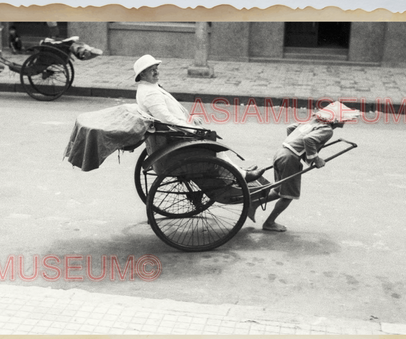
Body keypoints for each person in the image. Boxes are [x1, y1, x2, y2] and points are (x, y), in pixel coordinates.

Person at [134, 54, 266, 182]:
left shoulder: (149, 88)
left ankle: (237, 170)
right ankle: (241, 174)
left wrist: (189, 118)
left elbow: (170, 111)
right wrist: (191, 129)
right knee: (211, 142)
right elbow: (166, 119)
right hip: (174, 134)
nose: (156, 72)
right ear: (143, 74)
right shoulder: (150, 93)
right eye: (152, 70)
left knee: (209, 138)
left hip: (173, 131)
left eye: (156, 68)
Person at [254, 101, 359, 232]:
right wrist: (315, 158)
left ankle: (254, 203)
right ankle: (269, 222)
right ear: (337, 120)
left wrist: (295, 146)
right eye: (345, 119)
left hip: (280, 153)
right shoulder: (327, 130)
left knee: (279, 189)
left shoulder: (313, 122)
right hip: (289, 159)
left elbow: (291, 127)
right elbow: (309, 140)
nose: (346, 121)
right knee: (288, 195)